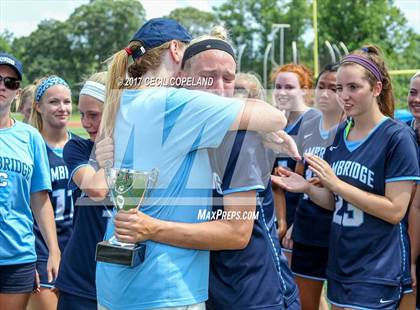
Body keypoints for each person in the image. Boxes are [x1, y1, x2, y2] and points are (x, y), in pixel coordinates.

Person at [95, 18, 288, 310]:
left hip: (117, 280)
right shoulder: (174, 101)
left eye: (228, 79)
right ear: (175, 50)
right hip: (165, 284)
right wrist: (262, 127)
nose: (219, 88)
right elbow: (275, 116)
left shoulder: (123, 101)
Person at [272, 45, 420, 309]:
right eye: (339, 88)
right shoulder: (341, 133)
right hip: (340, 264)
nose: (344, 96)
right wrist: (306, 187)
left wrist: (336, 183)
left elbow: (395, 211)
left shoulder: (397, 136)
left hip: (376, 268)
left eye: (353, 87)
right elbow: (333, 201)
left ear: (376, 88)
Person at [0, 53, 60, 310]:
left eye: (10, 82)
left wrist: (53, 250)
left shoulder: (30, 137)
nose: (2, 86)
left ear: (18, 91)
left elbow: (39, 198)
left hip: (17, 257)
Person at [286, 63, 343, 310]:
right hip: (308, 226)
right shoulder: (308, 126)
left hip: (340, 229)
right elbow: (300, 177)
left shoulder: (353, 129)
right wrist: (293, 224)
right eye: (322, 87)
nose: (326, 93)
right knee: (305, 304)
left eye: (334, 88)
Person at [55, 72, 111, 310]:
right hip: (80, 281)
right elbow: (97, 189)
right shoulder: (76, 147)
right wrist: (111, 157)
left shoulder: (142, 150)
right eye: (83, 114)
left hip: (124, 281)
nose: (86, 123)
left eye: (94, 115)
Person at [27, 76, 75, 310]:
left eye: (67, 101)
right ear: (38, 106)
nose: (63, 108)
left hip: (77, 246)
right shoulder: (30, 149)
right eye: (54, 102)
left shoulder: (84, 146)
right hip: (43, 249)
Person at [270, 64, 319, 262]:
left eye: (289, 87)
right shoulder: (276, 122)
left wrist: (295, 223)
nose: (282, 92)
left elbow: (315, 180)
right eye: (277, 86)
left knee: (301, 287)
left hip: (306, 217)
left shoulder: (315, 120)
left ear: (304, 90)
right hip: (281, 213)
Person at [405, 71, 420, 310]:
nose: (416, 99)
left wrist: (412, 259)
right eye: (413, 92)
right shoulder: (401, 132)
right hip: (403, 236)